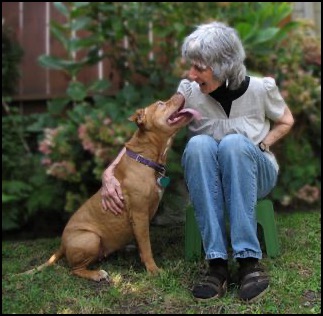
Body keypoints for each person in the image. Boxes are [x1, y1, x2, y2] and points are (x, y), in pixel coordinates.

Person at [101, 21, 294, 303]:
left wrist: (264, 144)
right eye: (191, 66)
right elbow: (152, 125)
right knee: (199, 145)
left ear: (223, 65)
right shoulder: (189, 91)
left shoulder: (260, 89)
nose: (191, 73)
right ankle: (216, 264)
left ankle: (248, 262)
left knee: (234, 144)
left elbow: (286, 120)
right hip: (211, 178)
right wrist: (110, 170)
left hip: (256, 173)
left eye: (199, 67)